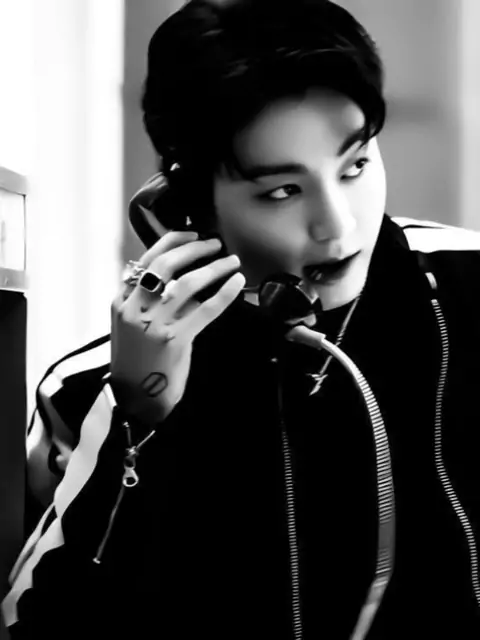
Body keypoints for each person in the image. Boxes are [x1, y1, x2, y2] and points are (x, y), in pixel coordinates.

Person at [4, 0, 480, 638]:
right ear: (192, 207)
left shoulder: (466, 289)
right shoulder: (93, 390)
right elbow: (34, 623)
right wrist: (139, 421)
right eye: (282, 191)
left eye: (356, 165)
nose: (338, 227)